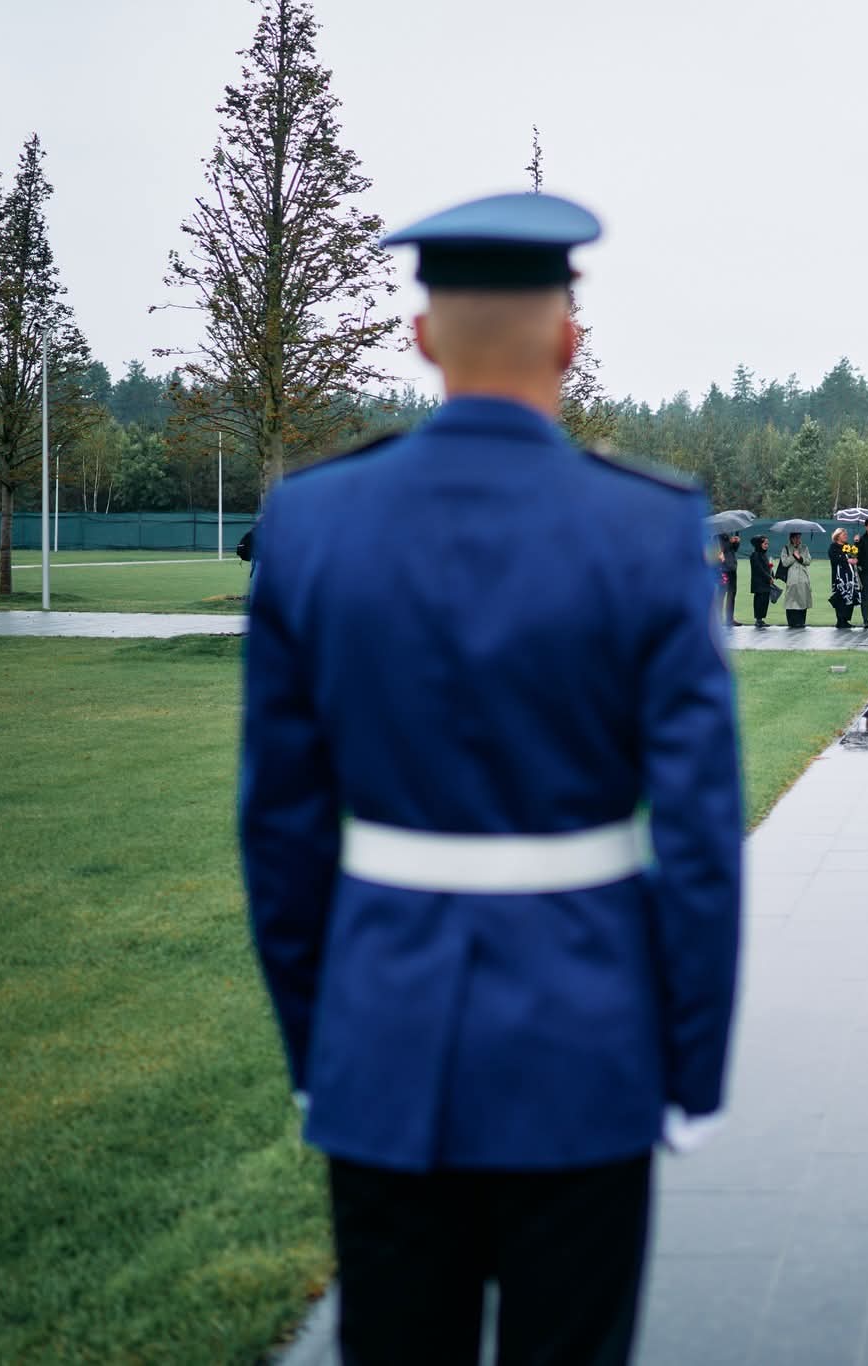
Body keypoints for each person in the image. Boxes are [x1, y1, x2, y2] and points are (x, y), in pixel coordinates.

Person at [240, 191, 741, 1365]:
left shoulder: (311, 522)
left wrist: (323, 1047)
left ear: (422, 338)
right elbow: (701, 832)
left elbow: (280, 826)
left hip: (381, 1032)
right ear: (568, 338)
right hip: (590, 1038)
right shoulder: (645, 526)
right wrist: (689, 1061)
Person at [828, 528, 861, 629]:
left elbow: (855, 553)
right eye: (843, 534)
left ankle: (846, 620)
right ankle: (840, 620)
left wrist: (856, 543)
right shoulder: (833, 547)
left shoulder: (848, 546)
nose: (846, 536)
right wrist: (847, 560)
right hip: (839, 578)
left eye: (846, 534)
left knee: (850, 597)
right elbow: (835, 558)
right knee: (840, 597)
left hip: (850, 578)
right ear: (837, 536)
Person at [778, 532, 812, 627]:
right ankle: (791, 622)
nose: (798, 540)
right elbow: (784, 563)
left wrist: (799, 557)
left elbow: (808, 561)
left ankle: (801, 622)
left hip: (803, 578)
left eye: (799, 537)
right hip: (792, 578)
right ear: (791, 538)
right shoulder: (785, 548)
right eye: (796, 538)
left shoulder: (804, 547)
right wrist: (793, 556)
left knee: (803, 600)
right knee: (791, 601)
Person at [748, 534, 774, 627]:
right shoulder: (755, 555)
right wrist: (768, 577)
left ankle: (761, 619)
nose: (767, 545)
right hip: (759, 583)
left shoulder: (764, 555)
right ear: (759, 544)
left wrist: (771, 573)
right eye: (765, 543)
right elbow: (759, 569)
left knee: (765, 600)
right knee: (759, 600)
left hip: (765, 582)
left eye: (767, 544)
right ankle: (758, 619)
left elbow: (766, 568)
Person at [717, 531, 740, 626]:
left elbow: (734, 550)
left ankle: (729, 619)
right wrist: (730, 541)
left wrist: (736, 542)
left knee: (732, 593)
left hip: (732, 568)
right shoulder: (717, 536)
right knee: (721, 594)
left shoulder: (728, 536)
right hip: (723, 569)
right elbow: (721, 550)